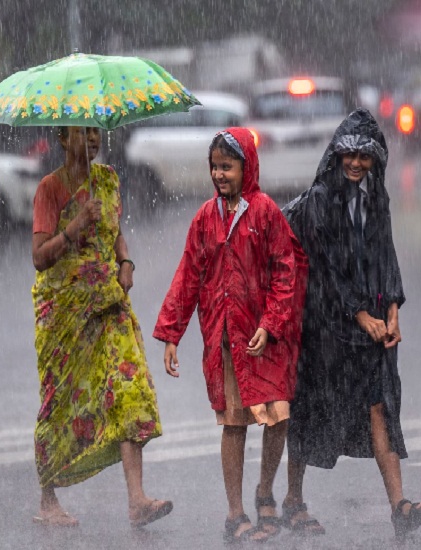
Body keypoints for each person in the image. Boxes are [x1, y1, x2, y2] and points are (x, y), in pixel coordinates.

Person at [283, 108, 421, 537]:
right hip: (325, 325)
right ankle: (293, 500)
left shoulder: (375, 198)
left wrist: (392, 310)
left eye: (364, 157)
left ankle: (399, 506)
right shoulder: (318, 202)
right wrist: (360, 314)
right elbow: (327, 268)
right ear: (336, 154)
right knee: (308, 406)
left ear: (376, 161)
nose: (355, 163)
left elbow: (385, 257)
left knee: (380, 406)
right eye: (348, 154)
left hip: (370, 324)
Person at [153, 128, 306, 542]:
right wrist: (172, 333)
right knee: (234, 423)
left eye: (228, 166)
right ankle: (235, 513)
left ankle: (265, 491)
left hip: (265, 339)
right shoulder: (205, 218)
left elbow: (285, 274)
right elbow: (187, 276)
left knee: (278, 417)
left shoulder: (265, 213)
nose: (220, 174)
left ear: (247, 166)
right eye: (215, 166)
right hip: (226, 338)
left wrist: (271, 324)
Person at [30, 126, 171, 528]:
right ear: (62, 138)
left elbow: (116, 235)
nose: (92, 139)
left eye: (96, 131)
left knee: (128, 389)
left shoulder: (108, 180)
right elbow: (39, 257)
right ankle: (48, 497)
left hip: (109, 303)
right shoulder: (50, 188)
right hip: (66, 313)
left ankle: (137, 499)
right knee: (61, 400)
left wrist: (126, 263)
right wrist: (74, 227)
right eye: (82, 132)